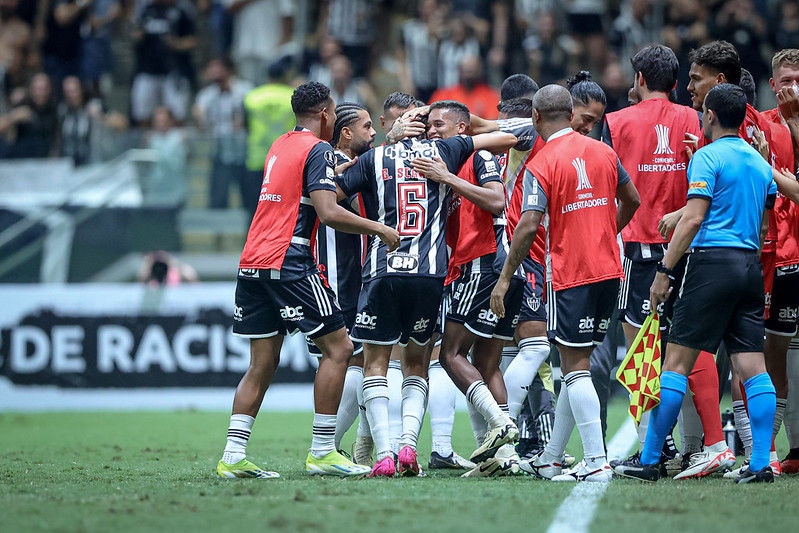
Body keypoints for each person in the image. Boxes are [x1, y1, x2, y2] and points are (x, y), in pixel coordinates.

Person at [216, 81, 399, 479]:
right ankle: (322, 450)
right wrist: (378, 229)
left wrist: (335, 172)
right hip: (290, 258)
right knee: (341, 349)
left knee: (261, 364)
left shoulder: (280, 145)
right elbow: (329, 213)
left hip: (252, 262)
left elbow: (299, 189)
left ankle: (232, 456)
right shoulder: (317, 149)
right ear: (325, 115)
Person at [336, 105, 517, 477]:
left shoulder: (374, 157)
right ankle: (407, 449)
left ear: (396, 125)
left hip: (382, 269)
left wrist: (372, 219)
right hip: (429, 274)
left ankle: (383, 454)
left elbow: (332, 195)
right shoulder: (444, 152)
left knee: (375, 365)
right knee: (417, 365)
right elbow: (508, 137)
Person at [614, 83, 778, 484]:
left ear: (709, 115)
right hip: (749, 265)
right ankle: (760, 464)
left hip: (710, 266)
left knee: (675, 363)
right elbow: (764, 217)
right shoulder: (759, 164)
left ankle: (650, 459)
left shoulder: (707, 157)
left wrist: (665, 271)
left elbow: (693, 218)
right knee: (752, 367)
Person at [491, 84, 641, 482]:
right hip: (611, 272)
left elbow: (527, 226)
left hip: (571, 274)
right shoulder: (605, 151)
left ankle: (595, 462)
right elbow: (633, 199)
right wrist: (609, 232)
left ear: (536, 117)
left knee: (574, 370)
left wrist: (505, 278)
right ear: (571, 113)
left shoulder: (541, 163)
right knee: (580, 365)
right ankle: (553, 457)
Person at [601, 44, 734, 480]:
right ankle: (702, 446)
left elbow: (608, 189)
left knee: (643, 354)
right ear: (676, 82)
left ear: (639, 79)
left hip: (639, 251)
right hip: (688, 251)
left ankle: (653, 447)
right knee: (688, 348)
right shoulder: (698, 121)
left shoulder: (616, 122)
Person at [414, 100, 522, 477]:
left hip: (484, 266)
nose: (431, 131)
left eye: (438, 125)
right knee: (487, 365)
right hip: (491, 269)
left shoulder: (478, 157)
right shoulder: (438, 163)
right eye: (428, 126)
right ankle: (506, 456)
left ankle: (500, 425)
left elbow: (497, 200)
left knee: (449, 354)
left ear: (462, 129)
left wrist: (448, 179)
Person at [310, 101, 375, 463]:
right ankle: (325, 446)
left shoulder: (350, 162)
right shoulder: (330, 162)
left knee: (358, 360)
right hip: (335, 276)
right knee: (350, 358)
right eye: (366, 127)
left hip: (352, 273)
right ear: (346, 132)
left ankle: (337, 447)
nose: (373, 132)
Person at [192, 56, 253, 209]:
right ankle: (218, 231)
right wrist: (199, 116)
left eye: (217, 67)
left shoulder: (245, 90)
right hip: (220, 153)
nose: (213, 72)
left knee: (249, 197)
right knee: (218, 198)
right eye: (211, 68)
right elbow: (200, 117)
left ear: (227, 69)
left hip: (243, 153)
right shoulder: (207, 95)